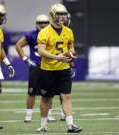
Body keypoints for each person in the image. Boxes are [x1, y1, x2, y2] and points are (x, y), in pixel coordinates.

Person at [36, 3, 82, 133]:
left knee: (66, 96)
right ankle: (43, 125)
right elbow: (41, 51)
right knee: (46, 98)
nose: (63, 17)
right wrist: (58, 57)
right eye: (60, 14)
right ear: (53, 15)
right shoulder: (44, 32)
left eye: (64, 14)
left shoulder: (68, 31)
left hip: (63, 68)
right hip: (48, 69)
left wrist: (72, 54)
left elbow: (70, 47)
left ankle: (70, 125)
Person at [15, 14, 56, 122]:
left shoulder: (53, 34)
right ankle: (28, 115)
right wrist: (25, 59)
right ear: (36, 24)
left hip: (49, 66)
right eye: (40, 23)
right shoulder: (32, 35)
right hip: (36, 66)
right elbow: (18, 45)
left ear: (49, 23)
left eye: (45, 23)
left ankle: (49, 114)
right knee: (31, 92)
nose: (43, 25)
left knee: (49, 92)